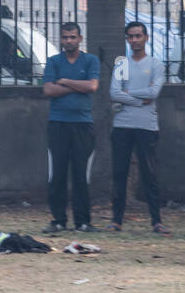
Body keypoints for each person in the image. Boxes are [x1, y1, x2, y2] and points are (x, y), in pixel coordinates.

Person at [108, 21, 169, 234]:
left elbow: (154, 94)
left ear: (146, 37)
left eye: (138, 36)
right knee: (119, 173)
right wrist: (138, 99)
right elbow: (114, 94)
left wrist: (128, 95)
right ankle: (116, 220)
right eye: (131, 36)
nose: (134, 40)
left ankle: (156, 221)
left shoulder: (155, 64)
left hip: (147, 126)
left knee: (149, 174)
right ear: (127, 39)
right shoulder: (122, 64)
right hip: (122, 125)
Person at [42, 22, 100, 233]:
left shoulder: (90, 60)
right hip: (58, 124)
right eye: (65, 37)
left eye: (72, 37)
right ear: (61, 39)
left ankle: (83, 222)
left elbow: (92, 86)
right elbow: (48, 90)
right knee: (56, 174)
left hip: (83, 125)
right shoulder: (53, 61)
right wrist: (78, 86)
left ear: (80, 39)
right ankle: (58, 220)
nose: (68, 41)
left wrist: (65, 81)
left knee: (80, 175)